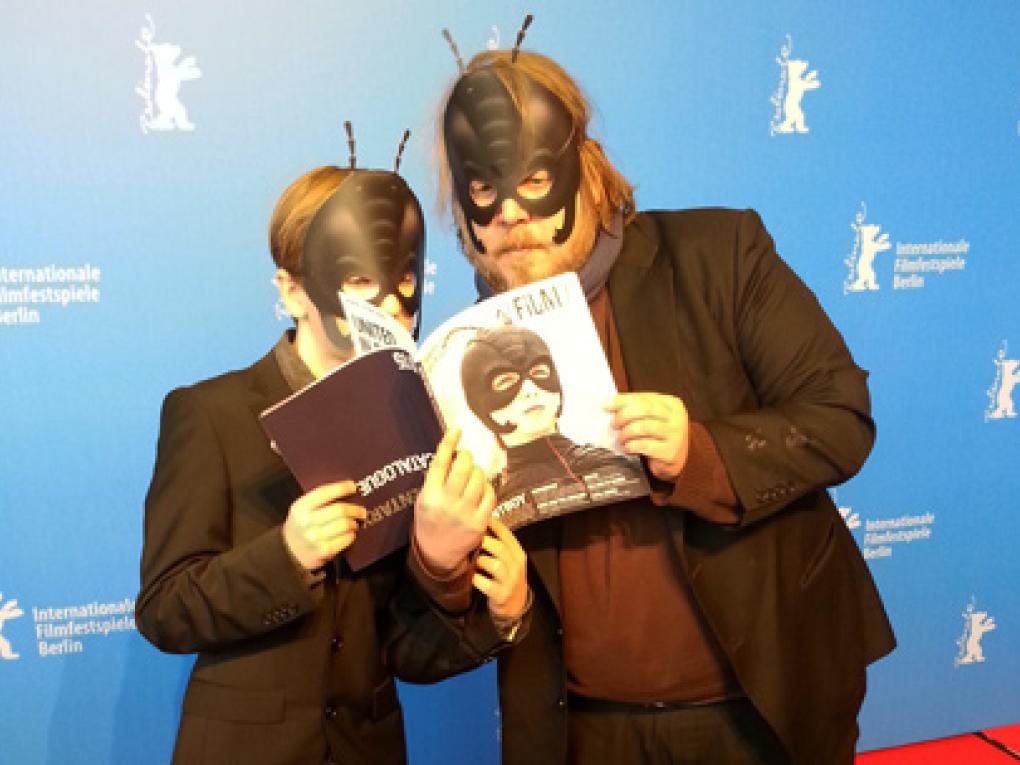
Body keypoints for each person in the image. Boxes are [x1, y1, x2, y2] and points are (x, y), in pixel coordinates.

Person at [413, 38, 896, 765]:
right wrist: (439, 561)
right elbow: (454, 624)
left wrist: (701, 453)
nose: (511, 213)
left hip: (757, 710)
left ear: (587, 169)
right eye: (484, 191)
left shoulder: (717, 255)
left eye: (535, 177)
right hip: (585, 731)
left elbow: (841, 416)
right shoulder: (460, 363)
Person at [136, 162, 529, 765]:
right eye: (359, 279)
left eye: (404, 278)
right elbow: (165, 609)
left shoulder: (419, 421)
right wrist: (286, 555)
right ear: (292, 290)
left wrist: (492, 611)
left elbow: (402, 649)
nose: (391, 304)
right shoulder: (211, 414)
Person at [459, 323, 647, 526]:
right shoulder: (486, 500)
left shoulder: (611, 465)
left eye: (538, 372)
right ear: (479, 404)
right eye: (506, 381)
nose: (530, 391)